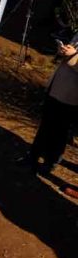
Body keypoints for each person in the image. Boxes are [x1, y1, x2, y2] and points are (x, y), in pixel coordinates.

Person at [23, 34, 78, 175]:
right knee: (46, 124)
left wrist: (74, 55)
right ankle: (32, 156)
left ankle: (51, 161)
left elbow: (74, 57)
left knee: (60, 130)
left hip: (71, 94)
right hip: (58, 85)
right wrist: (63, 51)